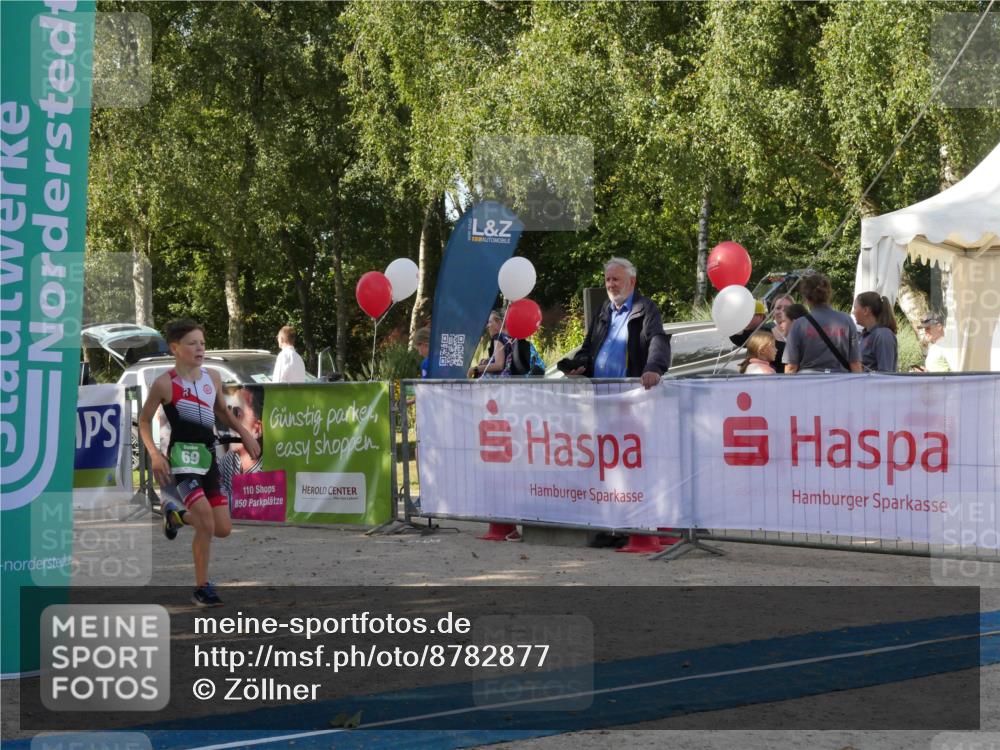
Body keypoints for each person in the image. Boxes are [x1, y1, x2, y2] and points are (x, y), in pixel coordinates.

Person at [139, 319, 261, 607]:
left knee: (222, 528)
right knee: (205, 520)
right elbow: (143, 420)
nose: (200, 348)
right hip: (182, 459)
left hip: (208, 458)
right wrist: (155, 455)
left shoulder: (213, 377)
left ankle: (176, 516)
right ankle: (201, 588)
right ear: (175, 348)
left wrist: (245, 434)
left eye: (202, 343)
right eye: (193, 343)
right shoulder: (164, 383)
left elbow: (222, 410)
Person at [561, 257, 670, 389]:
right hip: (598, 395)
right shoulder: (602, 310)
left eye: (615, 279)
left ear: (632, 282)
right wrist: (577, 367)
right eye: (608, 279)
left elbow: (657, 340)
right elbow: (588, 348)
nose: (610, 284)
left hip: (630, 395)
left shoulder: (645, 308)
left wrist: (653, 368)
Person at [782, 272, 862, 374]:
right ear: (829, 294)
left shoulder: (799, 325)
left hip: (808, 383)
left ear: (806, 298)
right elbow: (855, 363)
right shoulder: (846, 321)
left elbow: (791, 366)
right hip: (840, 383)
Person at [219, 386, 265, 506]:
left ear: (257, 429)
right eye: (229, 411)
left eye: (237, 413)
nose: (231, 422)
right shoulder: (228, 461)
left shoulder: (267, 469)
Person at [731, 296, 791, 373]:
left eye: (787, 308)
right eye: (778, 308)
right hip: (773, 379)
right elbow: (741, 339)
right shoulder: (764, 330)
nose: (782, 311)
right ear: (773, 311)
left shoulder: (802, 330)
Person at [853, 291, 898, 372]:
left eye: (855, 308)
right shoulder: (863, 335)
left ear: (866, 310)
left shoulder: (883, 335)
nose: (853, 312)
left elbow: (885, 374)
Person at [468, 310, 512, 378]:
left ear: (499, 323)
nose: (487, 326)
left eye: (490, 322)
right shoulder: (510, 338)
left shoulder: (498, 337)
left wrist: (474, 370)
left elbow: (499, 365)